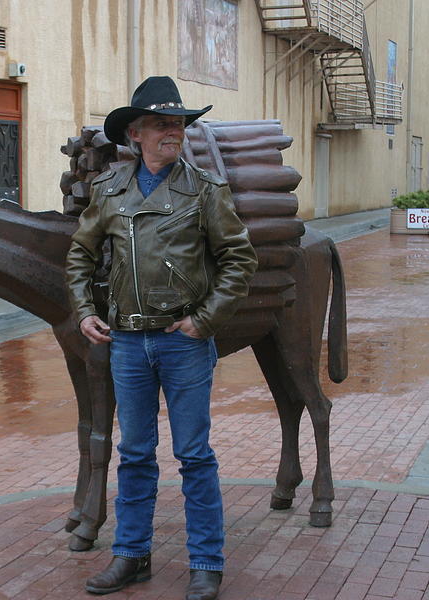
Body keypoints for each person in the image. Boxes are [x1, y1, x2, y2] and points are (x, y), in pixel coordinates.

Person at [66, 76, 258, 600]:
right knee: (136, 454)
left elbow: (240, 260)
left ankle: (206, 562)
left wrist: (205, 320)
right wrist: (85, 310)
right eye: (161, 123)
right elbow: (81, 254)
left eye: (178, 123)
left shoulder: (204, 190)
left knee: (194, 454)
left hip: (183, 342)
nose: (173, 132)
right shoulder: (109, 192)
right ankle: (131, 556)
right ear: (136, 133)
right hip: (127, 344)